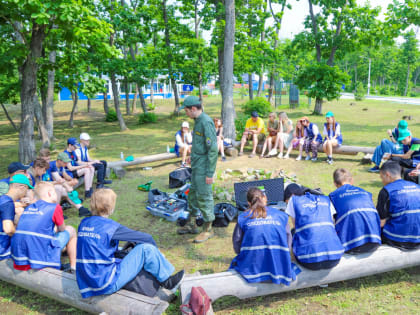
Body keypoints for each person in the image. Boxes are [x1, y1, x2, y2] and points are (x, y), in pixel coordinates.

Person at [76, 189, 184, 298]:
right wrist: (158, 255)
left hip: (86, 281)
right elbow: (146, 238)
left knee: (122, 248)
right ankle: (168, 282)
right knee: (146, 249)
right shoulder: (110, 226)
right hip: (104, 283)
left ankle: (161, 273)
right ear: (110, 207)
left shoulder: (83, 223)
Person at [230, 187, 297, 285]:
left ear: (249, 203)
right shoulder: (282, 216)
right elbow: (288, 240)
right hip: (279, 267)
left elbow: (237, 243)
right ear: (265, 198)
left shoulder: (243, 217)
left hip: (252, 270)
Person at [177, 96, 218, 243]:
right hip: (197, 163)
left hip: (204, 166)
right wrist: (192, 156)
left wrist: (209, 173)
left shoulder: (206, 122)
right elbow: (200, 144)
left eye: (187, 110)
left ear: (193, 109)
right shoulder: (198, 121)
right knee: (193, 195)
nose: (186, 113)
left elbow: (213, 149)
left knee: (204, 196)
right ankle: (192, 224)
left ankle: (208, 229)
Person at [11, 182, 78, 273]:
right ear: (50, 193)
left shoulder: (29, 207)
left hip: (19, 258)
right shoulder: (54, 207)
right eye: (55, 192)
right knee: (71, 230)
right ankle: (73, 268)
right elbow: (62, 229)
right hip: (39, 259)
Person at [284, 183, 344, 270]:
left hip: (309, 261)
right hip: (335, 257)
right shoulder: (325, 199)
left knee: (293, 233)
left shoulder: (293, 201)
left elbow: (296, 227)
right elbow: (331, 224)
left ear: (291, 196)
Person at [329, 168, 381, 254]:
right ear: (352, 180)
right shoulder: (366, 193)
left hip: (352, 246)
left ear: (335, 183)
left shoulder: (333, 196)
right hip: (375, 241)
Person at [376, 161, 420, 250]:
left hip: (398, 239)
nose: (382, 181)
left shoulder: (386, 191)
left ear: (387, 175)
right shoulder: (416, 186)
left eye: (382, 177)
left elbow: (381, 222)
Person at [0, 174, 33, 261]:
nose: (26, 192)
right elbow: (8, 229)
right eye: (27, 189)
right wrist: (20, 235)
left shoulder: (3, 199)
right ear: (22, 187)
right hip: (3, 251)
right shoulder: (7, 203)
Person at [50, 153, 91, 217]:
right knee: (63, 189)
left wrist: (72, 180)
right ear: (59, 161)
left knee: (66, 189)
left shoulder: (60, 166)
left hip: (54, 185)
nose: (66, 164)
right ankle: (56, 213)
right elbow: (58, 180)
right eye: (65, 162)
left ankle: (81, 208)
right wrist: (68, 185)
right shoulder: (52, 165)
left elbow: (64, 176)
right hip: (48, 187)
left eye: (67, 162)